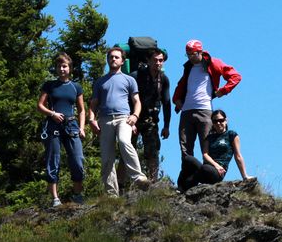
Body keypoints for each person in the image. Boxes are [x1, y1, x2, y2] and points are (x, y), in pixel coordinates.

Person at [172, 39, 241, 175]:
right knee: (185, 149)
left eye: (192, 54)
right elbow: (181, 85)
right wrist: (176, 100)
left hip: (205, 111)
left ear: (200, 52)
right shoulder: (188, 67)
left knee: (207, 149)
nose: (190, 57)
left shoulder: (213, 63)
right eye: (188, 54)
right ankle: (187, 181)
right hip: (186, 111)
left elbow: (235, 76)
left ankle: (207, 179)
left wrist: (224, 90)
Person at [89, 46, 149, 195]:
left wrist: (135, 116)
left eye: (116, 57)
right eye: (111, 57)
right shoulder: (100, 82)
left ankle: (138, 177)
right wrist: (91, 120)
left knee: (124, 141)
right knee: (107, 157)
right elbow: (93, 104)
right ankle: (111, 194)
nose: (113, 59)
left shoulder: (129, 79)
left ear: (122, 61)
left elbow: (137, 101)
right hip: (105, 119)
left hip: (124, 118)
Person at [37, 53, 86, 207]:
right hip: (53, 127)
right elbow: (40, 105)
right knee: (53, 161)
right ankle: (55, 199)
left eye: (64, 66)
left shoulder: (75, 87)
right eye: (59, 66)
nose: (62, 69)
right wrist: (52, 113)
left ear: (70, 68)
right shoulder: (49, 85)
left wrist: (82, 128)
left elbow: (82, 109)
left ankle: (77, 195)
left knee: (78, 160)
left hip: (72, 126)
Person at [178, 109, 249, 191]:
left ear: (226, 120)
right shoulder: (209, 137)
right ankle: (181, 187)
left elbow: (238, 156)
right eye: (215, 121)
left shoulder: (231, 135)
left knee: (205, 168)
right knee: (188, 159)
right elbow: (205, 154)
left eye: (221, 120)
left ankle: (187, 186)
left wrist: (244, 176)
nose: (218, 123)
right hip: (209, 167)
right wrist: (216, 165)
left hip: (218, 173)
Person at [129, 47, 171, 181]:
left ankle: (153, 182)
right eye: (155, 60)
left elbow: (166, 103)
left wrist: (166, 126)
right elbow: (126, 99)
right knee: (128, 151)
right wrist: (129, 119)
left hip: (151, 121)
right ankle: (123, 185)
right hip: (132, 119)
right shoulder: (136, 76)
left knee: (153, 153)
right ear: (148, 60)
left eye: (161, 60)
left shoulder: (163, 80)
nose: (158, 63)